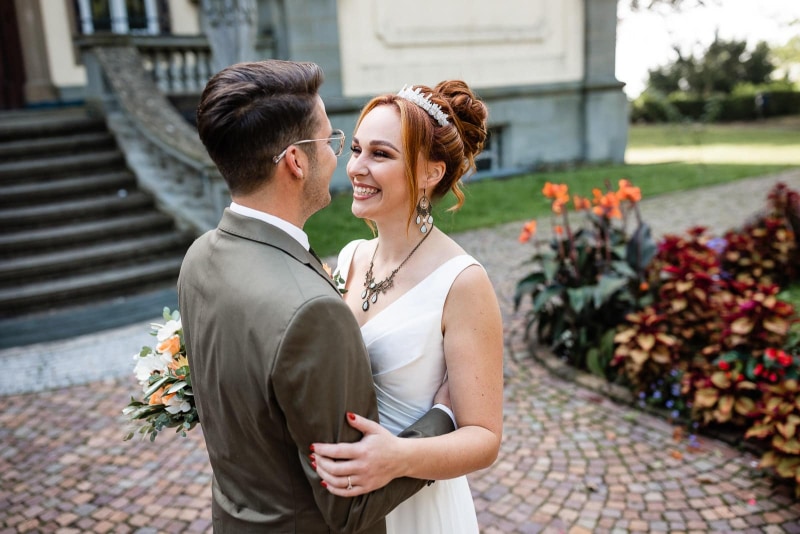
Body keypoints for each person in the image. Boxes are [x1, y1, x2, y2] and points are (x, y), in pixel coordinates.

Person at [178, 60, 456, 533]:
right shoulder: (312, 311)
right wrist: (443, 417)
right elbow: (349, 506)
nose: (342, 160)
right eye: (331, 141)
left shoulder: (200, 258)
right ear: (295, 161)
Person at [310, 81, 504, 533]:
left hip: (416, 505)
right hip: (348, 506)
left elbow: (484, 438)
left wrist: (398, 457)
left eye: (380, 154)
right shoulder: (352, 256)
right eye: (356, 149)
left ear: (432, 173)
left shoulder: (462, 281)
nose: (356, 167)